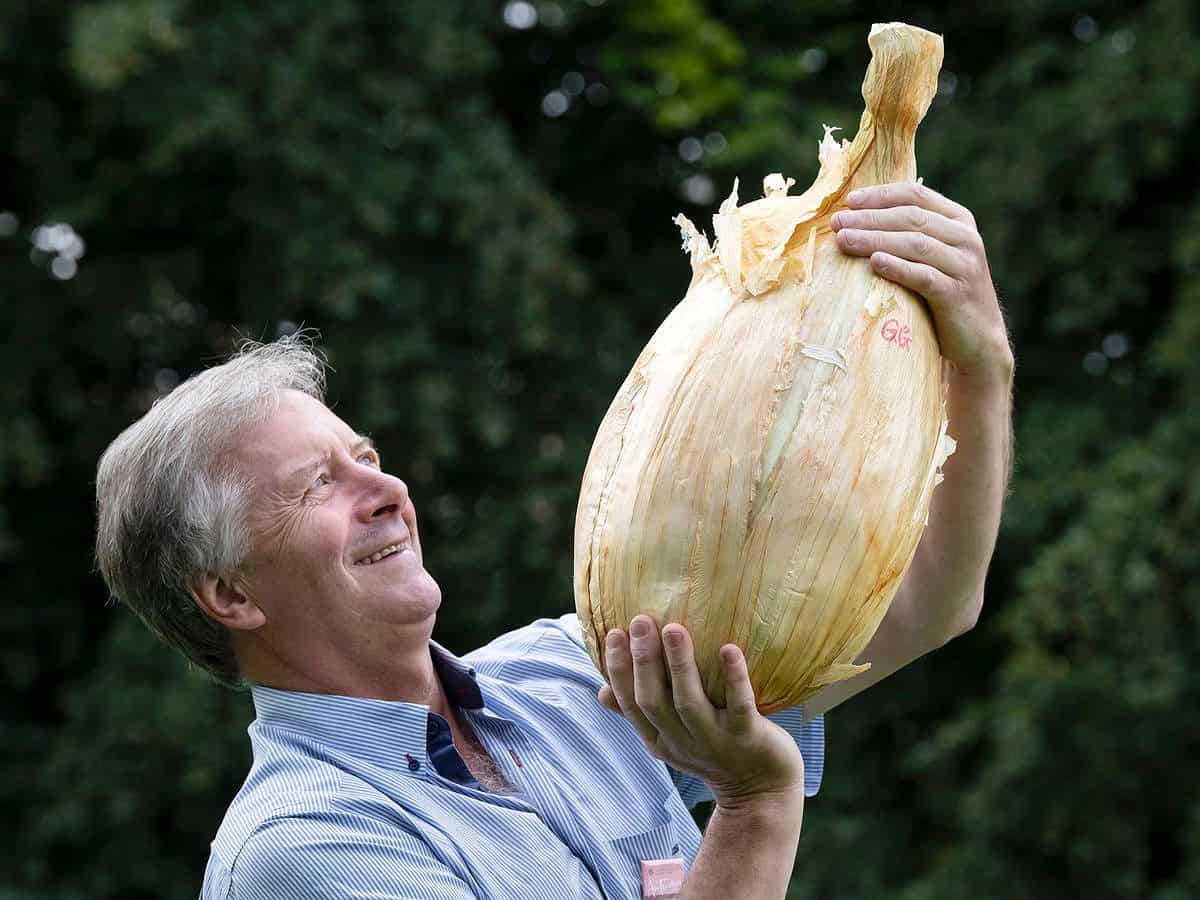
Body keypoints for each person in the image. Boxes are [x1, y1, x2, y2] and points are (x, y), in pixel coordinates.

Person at [94, 182, 1012, 900]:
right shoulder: (304, 855)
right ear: (231, 596)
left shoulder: (585, 677)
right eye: (317, 485)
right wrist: (755, 808)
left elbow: (929, 599)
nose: (387, 491)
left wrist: (980, 366)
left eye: (365, 455)